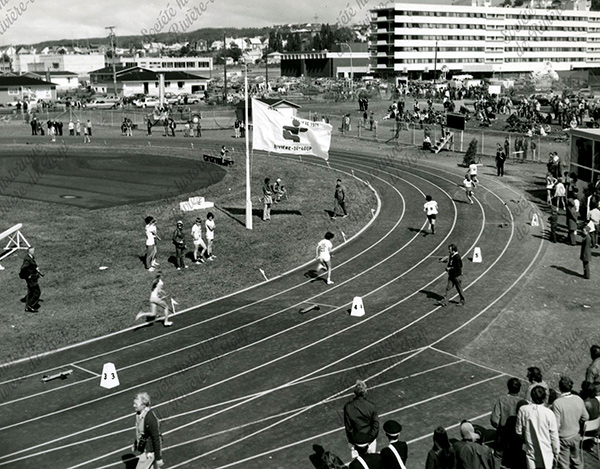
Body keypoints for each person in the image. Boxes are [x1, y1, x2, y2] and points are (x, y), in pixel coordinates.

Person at [516, 386, 559, 469]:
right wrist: (556, 452)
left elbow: (518, 431)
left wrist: (525, 438)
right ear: (544, 398)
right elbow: (554, 436)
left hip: (531, 450)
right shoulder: (549, 413)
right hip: (546, 452)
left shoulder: (523, 410)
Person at [551, 376, 588, 469]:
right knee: (576, 459)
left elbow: (557, 424)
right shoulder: (578, 399)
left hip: (563, 438)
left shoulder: (557, 403)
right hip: (576, 435)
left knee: (564, 464)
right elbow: (586, 417)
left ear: (560, 387)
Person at [344, 380, 379, 459]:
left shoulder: (348, 407)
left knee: (358, 463)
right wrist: (370, 438)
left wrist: (353, 439)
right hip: (369, 439)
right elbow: (376, 425)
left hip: (356, 440)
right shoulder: (371, 406)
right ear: (365, 392)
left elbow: (348, 427)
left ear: (355, 392)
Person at [490, 377, 522, 459]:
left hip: (503, 433)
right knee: (516, 457)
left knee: (498, 456)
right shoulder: (522, 402)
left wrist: (500, 428)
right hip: (517, 435)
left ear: (508, 387)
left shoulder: (502, 400)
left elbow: (494, 419)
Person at [131, 392, 164, 468]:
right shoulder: (138, 414)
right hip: (145, 448)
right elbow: (141, 432)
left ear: (143, 405)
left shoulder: (150, 418)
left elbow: (156, 438)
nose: (133, 406)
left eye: (136, 404)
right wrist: (136, 444)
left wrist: (158, 458)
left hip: (149, 451)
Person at [19, 246, 42, 312]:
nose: (34, 252)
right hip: (31, 279)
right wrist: (28, 275)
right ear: (30, 251)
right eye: (33, 251)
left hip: (32, 277)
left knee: (30, 292)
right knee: (37, 292)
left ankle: (27, 307)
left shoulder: (29, 258)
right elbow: (23, 268)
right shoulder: (27, 260)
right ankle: (30, 306)